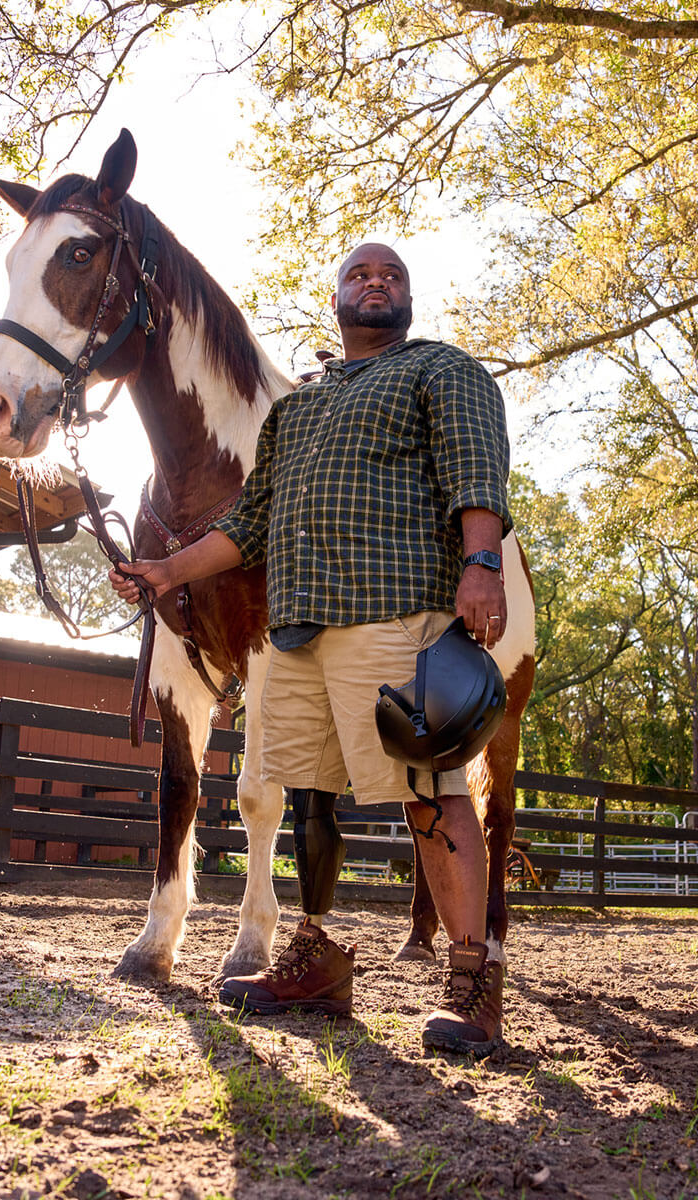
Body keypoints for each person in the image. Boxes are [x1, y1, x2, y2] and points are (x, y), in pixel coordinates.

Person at [109, 243, 511, 1056]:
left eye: (392, 275)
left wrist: (481, 565)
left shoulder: (440, 370)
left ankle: (473, 984)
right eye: (360, 274)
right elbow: (247, 523)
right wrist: (165, 571)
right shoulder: (297, 408)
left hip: (392, 611)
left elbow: (477, 471)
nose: (375, 282)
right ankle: (319, 961)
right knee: (304, 793)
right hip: (294, 630)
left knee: (429, 789)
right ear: (335, 298)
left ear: (406, 300)